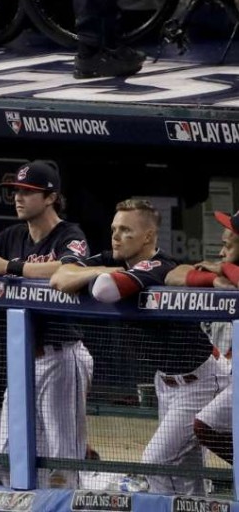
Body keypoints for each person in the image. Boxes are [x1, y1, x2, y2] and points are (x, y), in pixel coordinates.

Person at [52, 199, 222, 495]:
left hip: (200, 381)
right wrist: (102, 269)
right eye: (114, 229)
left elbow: (106, 290)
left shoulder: (158, 264)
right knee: (184, 475)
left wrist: (97, 274)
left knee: (156, 462)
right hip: (166, 383)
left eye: (126, 230)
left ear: (148, 237)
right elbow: (59, 275)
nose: (116, 236)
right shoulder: (113, 261)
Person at [0, 160, 92, 488]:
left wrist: (11, 267)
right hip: (22, 363)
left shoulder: (69, 234)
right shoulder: (12, 236)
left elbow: (70, 268)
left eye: (28, 191)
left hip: (61, 356)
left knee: (63, 460)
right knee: (10, 453)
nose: (18, 197)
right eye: (16, 191)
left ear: (50, 197)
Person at [167, 208, 239, 467]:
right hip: (228, 376)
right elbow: (173, 275)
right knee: (205, 426)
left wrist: (223, 268)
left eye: (227, 246)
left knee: (205, 424)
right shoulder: (224, 274)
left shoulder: (228, 269)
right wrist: (213, 279)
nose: (221, 252)